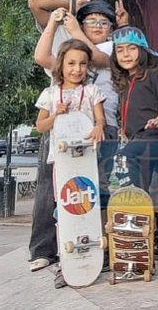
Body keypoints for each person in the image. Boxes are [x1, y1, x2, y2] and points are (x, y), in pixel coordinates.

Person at [27, 0, 117, 276]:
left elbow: (95, 58)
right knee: (56, 193)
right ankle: (50, 250)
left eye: (102, 20)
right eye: (89, 17)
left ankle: (96, 247)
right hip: (62, 135)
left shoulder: (106, 49)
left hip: (96, 135)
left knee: (95, 191)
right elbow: (42, 56)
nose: (76, 68)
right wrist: (59, 19)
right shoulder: (69, 55)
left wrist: (77, 26)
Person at [34, 39, 106, 288]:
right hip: (61, 163)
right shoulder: (51, 94)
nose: (77, 69)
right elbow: (40, 125)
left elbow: (100, 120)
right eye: (71, 63)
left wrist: (98, 128)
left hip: (87, 162)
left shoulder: (93, 91)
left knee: (87, 206)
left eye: (82, 64)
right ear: (61, 65)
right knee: (64, 209)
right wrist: (55, 115)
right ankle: (65, 262)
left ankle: (91, 254)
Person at [109, 26, 158, 259]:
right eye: (120, 50)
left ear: (143, 50)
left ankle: (137, 212)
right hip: (139, 137)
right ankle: (156, 232)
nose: (126, 54)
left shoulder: (156, 73)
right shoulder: (125, 80)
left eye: (131, 49)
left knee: (128, 158)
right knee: (154, 182)